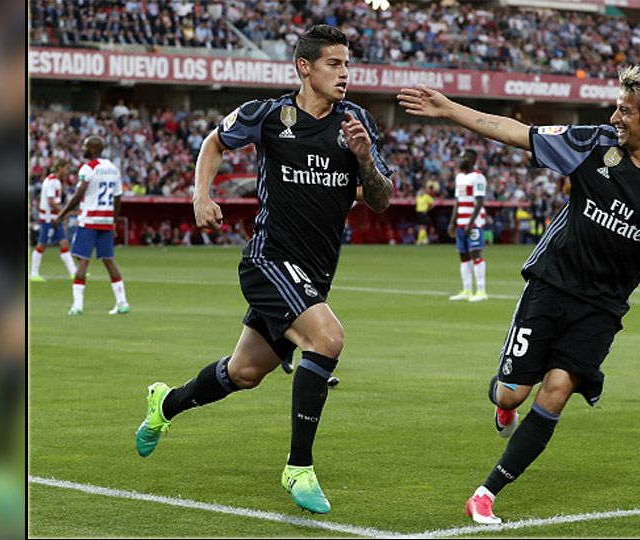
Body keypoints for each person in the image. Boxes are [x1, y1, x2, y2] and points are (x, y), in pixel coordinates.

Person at [398, 64, 640, 524]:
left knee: (557, 390)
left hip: (601, 308)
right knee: (510, 396)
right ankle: (502, 404)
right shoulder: (593, 143)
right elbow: (516, 132)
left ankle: (486, 493)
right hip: (551, 283)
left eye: (626, 110)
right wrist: (448, 109)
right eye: (617, 106)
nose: (615, 115)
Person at [134, 25, 393, 515]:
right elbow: (214, 141)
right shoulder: (271, 115)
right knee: (328, 339)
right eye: (333, 64)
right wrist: (201, 194)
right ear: (305, 67)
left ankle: (164, 405)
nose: (344, 73)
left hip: (314, 274)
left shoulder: (356, 122)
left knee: (244, 372)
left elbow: (381, 200)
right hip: (268, 261)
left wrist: (364, 159)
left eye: (346, 64)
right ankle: (298, 466)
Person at [54, 136, 130, 316]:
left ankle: (77, 306)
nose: (82, 149)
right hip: (105, 220)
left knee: (82, 260)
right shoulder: (113, 169)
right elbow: (118, 197)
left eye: (85, 146)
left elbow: (79, 194)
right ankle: (122, 303)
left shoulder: (88, 168)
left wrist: (62, 213)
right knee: (108, 260)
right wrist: (113, 220)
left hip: (89, 220)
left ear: (93, 149)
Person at [447, 149, 488, 302]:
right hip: (461, 223)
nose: (461, 159)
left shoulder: (478, 177)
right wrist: (453, 222)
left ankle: (481, 291)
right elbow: (457, 201)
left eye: (464, 157)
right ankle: (467, 290)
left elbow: (479, 202)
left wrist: (471, 223)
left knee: (476, 253)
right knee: (463, 255)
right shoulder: (459, 178)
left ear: (472, 159)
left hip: (474, 223)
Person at [29, 159, 78, 281]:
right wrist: (63, 213)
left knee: (64, 242)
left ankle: (74, 272)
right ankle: (34, 273)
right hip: (49, 218)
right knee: (42, 244)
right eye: (66, 168)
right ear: (60, 168)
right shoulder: (53, 182)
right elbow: (51, 201)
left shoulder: (52, 180)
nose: (67, 171)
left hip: (53, 216)